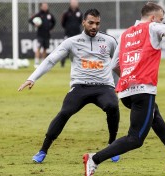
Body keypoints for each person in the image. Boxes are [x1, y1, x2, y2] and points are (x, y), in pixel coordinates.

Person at [83, 2, 165, 176]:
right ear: (153, 18)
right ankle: (94, 159)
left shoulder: (125, 34)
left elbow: (114, 65)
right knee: (135, 138)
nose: (162, 22)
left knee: (154, 114)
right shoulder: (152, 27)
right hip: (143, 90)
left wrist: (130, 76)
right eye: (161, 19)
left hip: (126, 91)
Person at [19, 9, 120, 164]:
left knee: (113, 105)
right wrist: (32, 78)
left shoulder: (109, 41)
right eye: (91, 23)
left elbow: (118, 64)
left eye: (97, 23)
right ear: (83, 22)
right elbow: (51, 60)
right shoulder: (72, 42)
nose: (94, 26)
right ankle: (43, 150)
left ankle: (112, 145)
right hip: (80, 87)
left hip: (103, 87)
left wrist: (118, 84)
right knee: (64, 112)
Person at [29, 2, 56, 68]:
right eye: (43, 6)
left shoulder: (50, 15)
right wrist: (35, 24)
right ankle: (36, 62)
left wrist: (51, 28)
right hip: (40, 34)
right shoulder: (38, 14)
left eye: (46, 6)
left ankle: (43, 63)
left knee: (45, 49)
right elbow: (30, 20)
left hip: (47, 34)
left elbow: (54, 22)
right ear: (41, 7)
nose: (45, 7)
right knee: (38, 47)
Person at [60, 0, 83, 67]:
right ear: (70, 4)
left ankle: (78, 63)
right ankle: (62, 61)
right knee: (65, 49)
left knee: (78, 49)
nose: (74, 4)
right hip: (68, 34)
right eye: (73, 3)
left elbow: (81, 22)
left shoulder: (79, 13)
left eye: (75, 3)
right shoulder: (66, 13)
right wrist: (68, 28)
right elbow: (62, 23)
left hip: (77, 34)